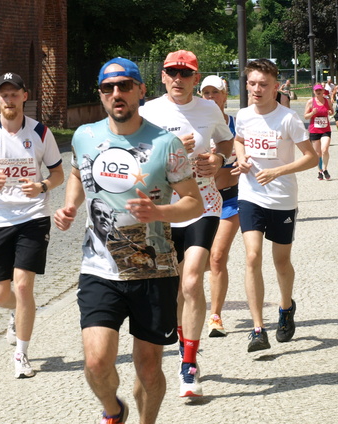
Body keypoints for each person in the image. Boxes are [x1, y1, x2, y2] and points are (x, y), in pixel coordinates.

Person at [53, 58, 204, 424]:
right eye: (108, 88)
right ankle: (113, 410)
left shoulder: (165, 143)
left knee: (149, 369)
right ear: (101, 95)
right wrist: (70, 205)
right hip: (99, 268)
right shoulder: (84, 136)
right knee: (96, 361)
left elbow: (193, 202)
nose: (116, 94)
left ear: (140, 90)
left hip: (154, 271)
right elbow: (77, 172)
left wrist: (159, 213)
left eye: (124, 86)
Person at [139, 51, 233, 398]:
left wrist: (217, 159)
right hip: (163, 207)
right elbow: (135, 155)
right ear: (163, 76)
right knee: (174, 287)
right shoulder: (148, 111)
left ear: (196, 78)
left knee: (192, 280)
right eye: (172, 73)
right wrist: (169, 148)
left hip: (202, 204)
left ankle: (189, 364)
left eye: (186, 73)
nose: (178, 79)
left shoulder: (209, 109)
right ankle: (183, 341)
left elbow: (225, 141)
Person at [0, 72, 65, 379]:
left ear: (24, 96)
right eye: (3, 94)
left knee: (22, 285)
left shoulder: (41, 133)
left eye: (14, 93)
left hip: (33, 217)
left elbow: (58, 174)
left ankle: (21, 353)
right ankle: (15, 313)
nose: (9, 99)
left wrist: (42, 187)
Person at [231, 59, 317, 352]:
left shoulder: (288, 118)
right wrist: (241, 158)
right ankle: (257, 329)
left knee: (281, 262)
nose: (257, 89)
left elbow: (311, 158)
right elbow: (239, 140)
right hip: (250, 194)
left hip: (281, 198)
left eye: (263, 84)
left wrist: (277, 171)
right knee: (252, 256)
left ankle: (285, 307)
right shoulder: (242, 115)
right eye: (252, 83)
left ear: (275, 87)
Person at [198, 76, 239, 338]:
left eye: (216, 92)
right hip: (199, 202)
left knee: (216, 257)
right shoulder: (197, 125)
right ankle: (191, 310)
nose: (211, 97)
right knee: (196, 261)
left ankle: (215, 315)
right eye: (206, 93)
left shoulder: (237, 124)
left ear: (225, 95)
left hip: (230, 200)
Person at [305, 84, 333, 180]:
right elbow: (305, 116)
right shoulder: (310, 102)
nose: (318, 92)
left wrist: (330, 112)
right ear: (314, 92)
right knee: (318, 153)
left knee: (324, 149)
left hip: (325, 129)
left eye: (320, 90)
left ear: (323, 91)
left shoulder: (327, 101)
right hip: (314, 130)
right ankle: (320, 171)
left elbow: (332, 111)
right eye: (316, 90)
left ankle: (325, 168)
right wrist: (312, 113)